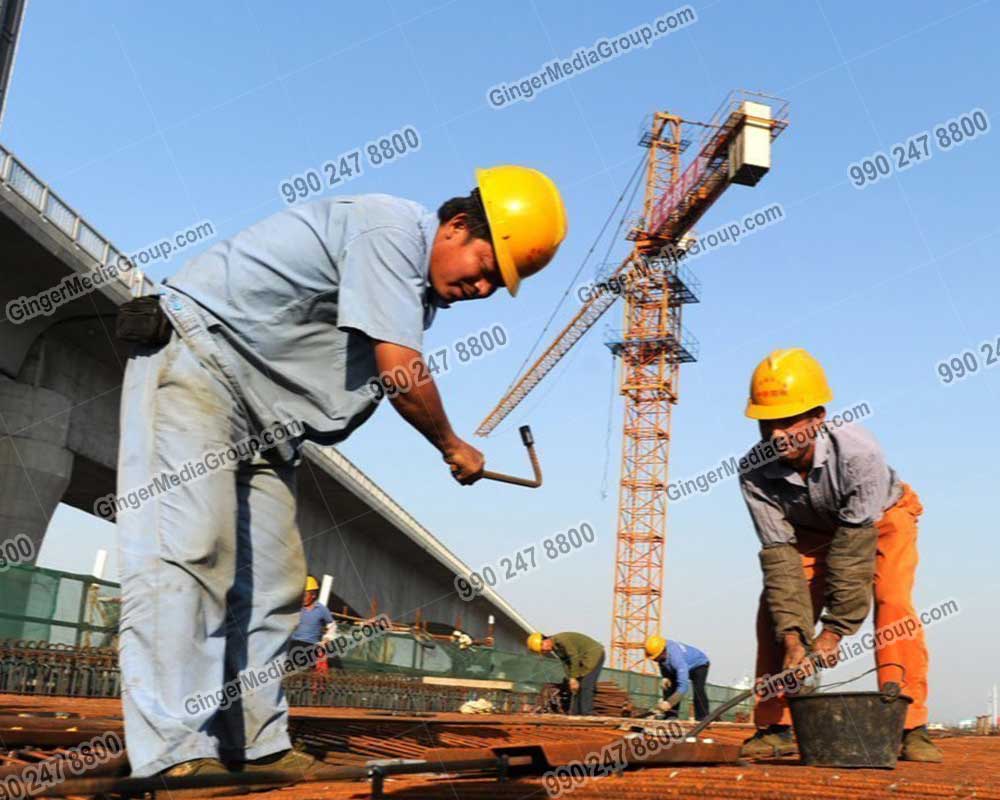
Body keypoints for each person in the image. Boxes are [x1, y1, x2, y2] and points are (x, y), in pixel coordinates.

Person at [115, 166, 568, 780]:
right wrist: (451, 443)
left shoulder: (412, 288)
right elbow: (400, 371)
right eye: (486, 268)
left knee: (274, 586)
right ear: (457, 226)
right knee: (186, 556)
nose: (483, 288)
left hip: (268, 423)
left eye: (498, 284)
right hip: (199, 367)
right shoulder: (388, 232)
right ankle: (172, 757)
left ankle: (256, 744)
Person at [736, 348, 941, 763]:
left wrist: (833, 634)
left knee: (892, 604)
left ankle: (909, 725)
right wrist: (795, 638)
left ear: (817, 418)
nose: (777, 434)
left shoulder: (859, 455)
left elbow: (853, 550)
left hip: (880, 520)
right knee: (773, 615)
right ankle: (775, 726)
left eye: (789, 421)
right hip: (811, 532)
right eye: (768, 422)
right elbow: (780, 558)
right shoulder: (753, 473)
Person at [527, 632, 605, 716]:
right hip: (581, 659)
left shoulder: (562, 640)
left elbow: (574, 658)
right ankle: (575, 713)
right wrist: (570, 678)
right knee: (576, 687)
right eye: (542, 651)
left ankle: (587, 713)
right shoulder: (556, 647)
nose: (545, 651)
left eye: (542, 649)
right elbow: (566, 663)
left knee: (586, 685)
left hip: (594, 655)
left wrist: (573, 678)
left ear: (544, 641)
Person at [643, 635, 711, 721]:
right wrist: (665, 678)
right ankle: (671, 715)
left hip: (699, 665)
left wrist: (669, 703)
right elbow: (663, 664)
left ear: (663, 652)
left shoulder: (677, 659)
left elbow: (683, 687)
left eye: (656, 658)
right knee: (668, 685)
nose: (655, 660)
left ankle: (703, 717)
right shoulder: (662, 653)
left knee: (698, 689)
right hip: (680, 666)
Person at [288, 576, 334, 672]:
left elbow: (332, 625)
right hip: (294, 643)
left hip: (311, 646)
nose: (303, 597)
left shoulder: (321, 609)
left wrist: (327, 638)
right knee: (290, 671)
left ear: (313, 595)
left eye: (305, 595)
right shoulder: (297, 607)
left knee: (306, 673)